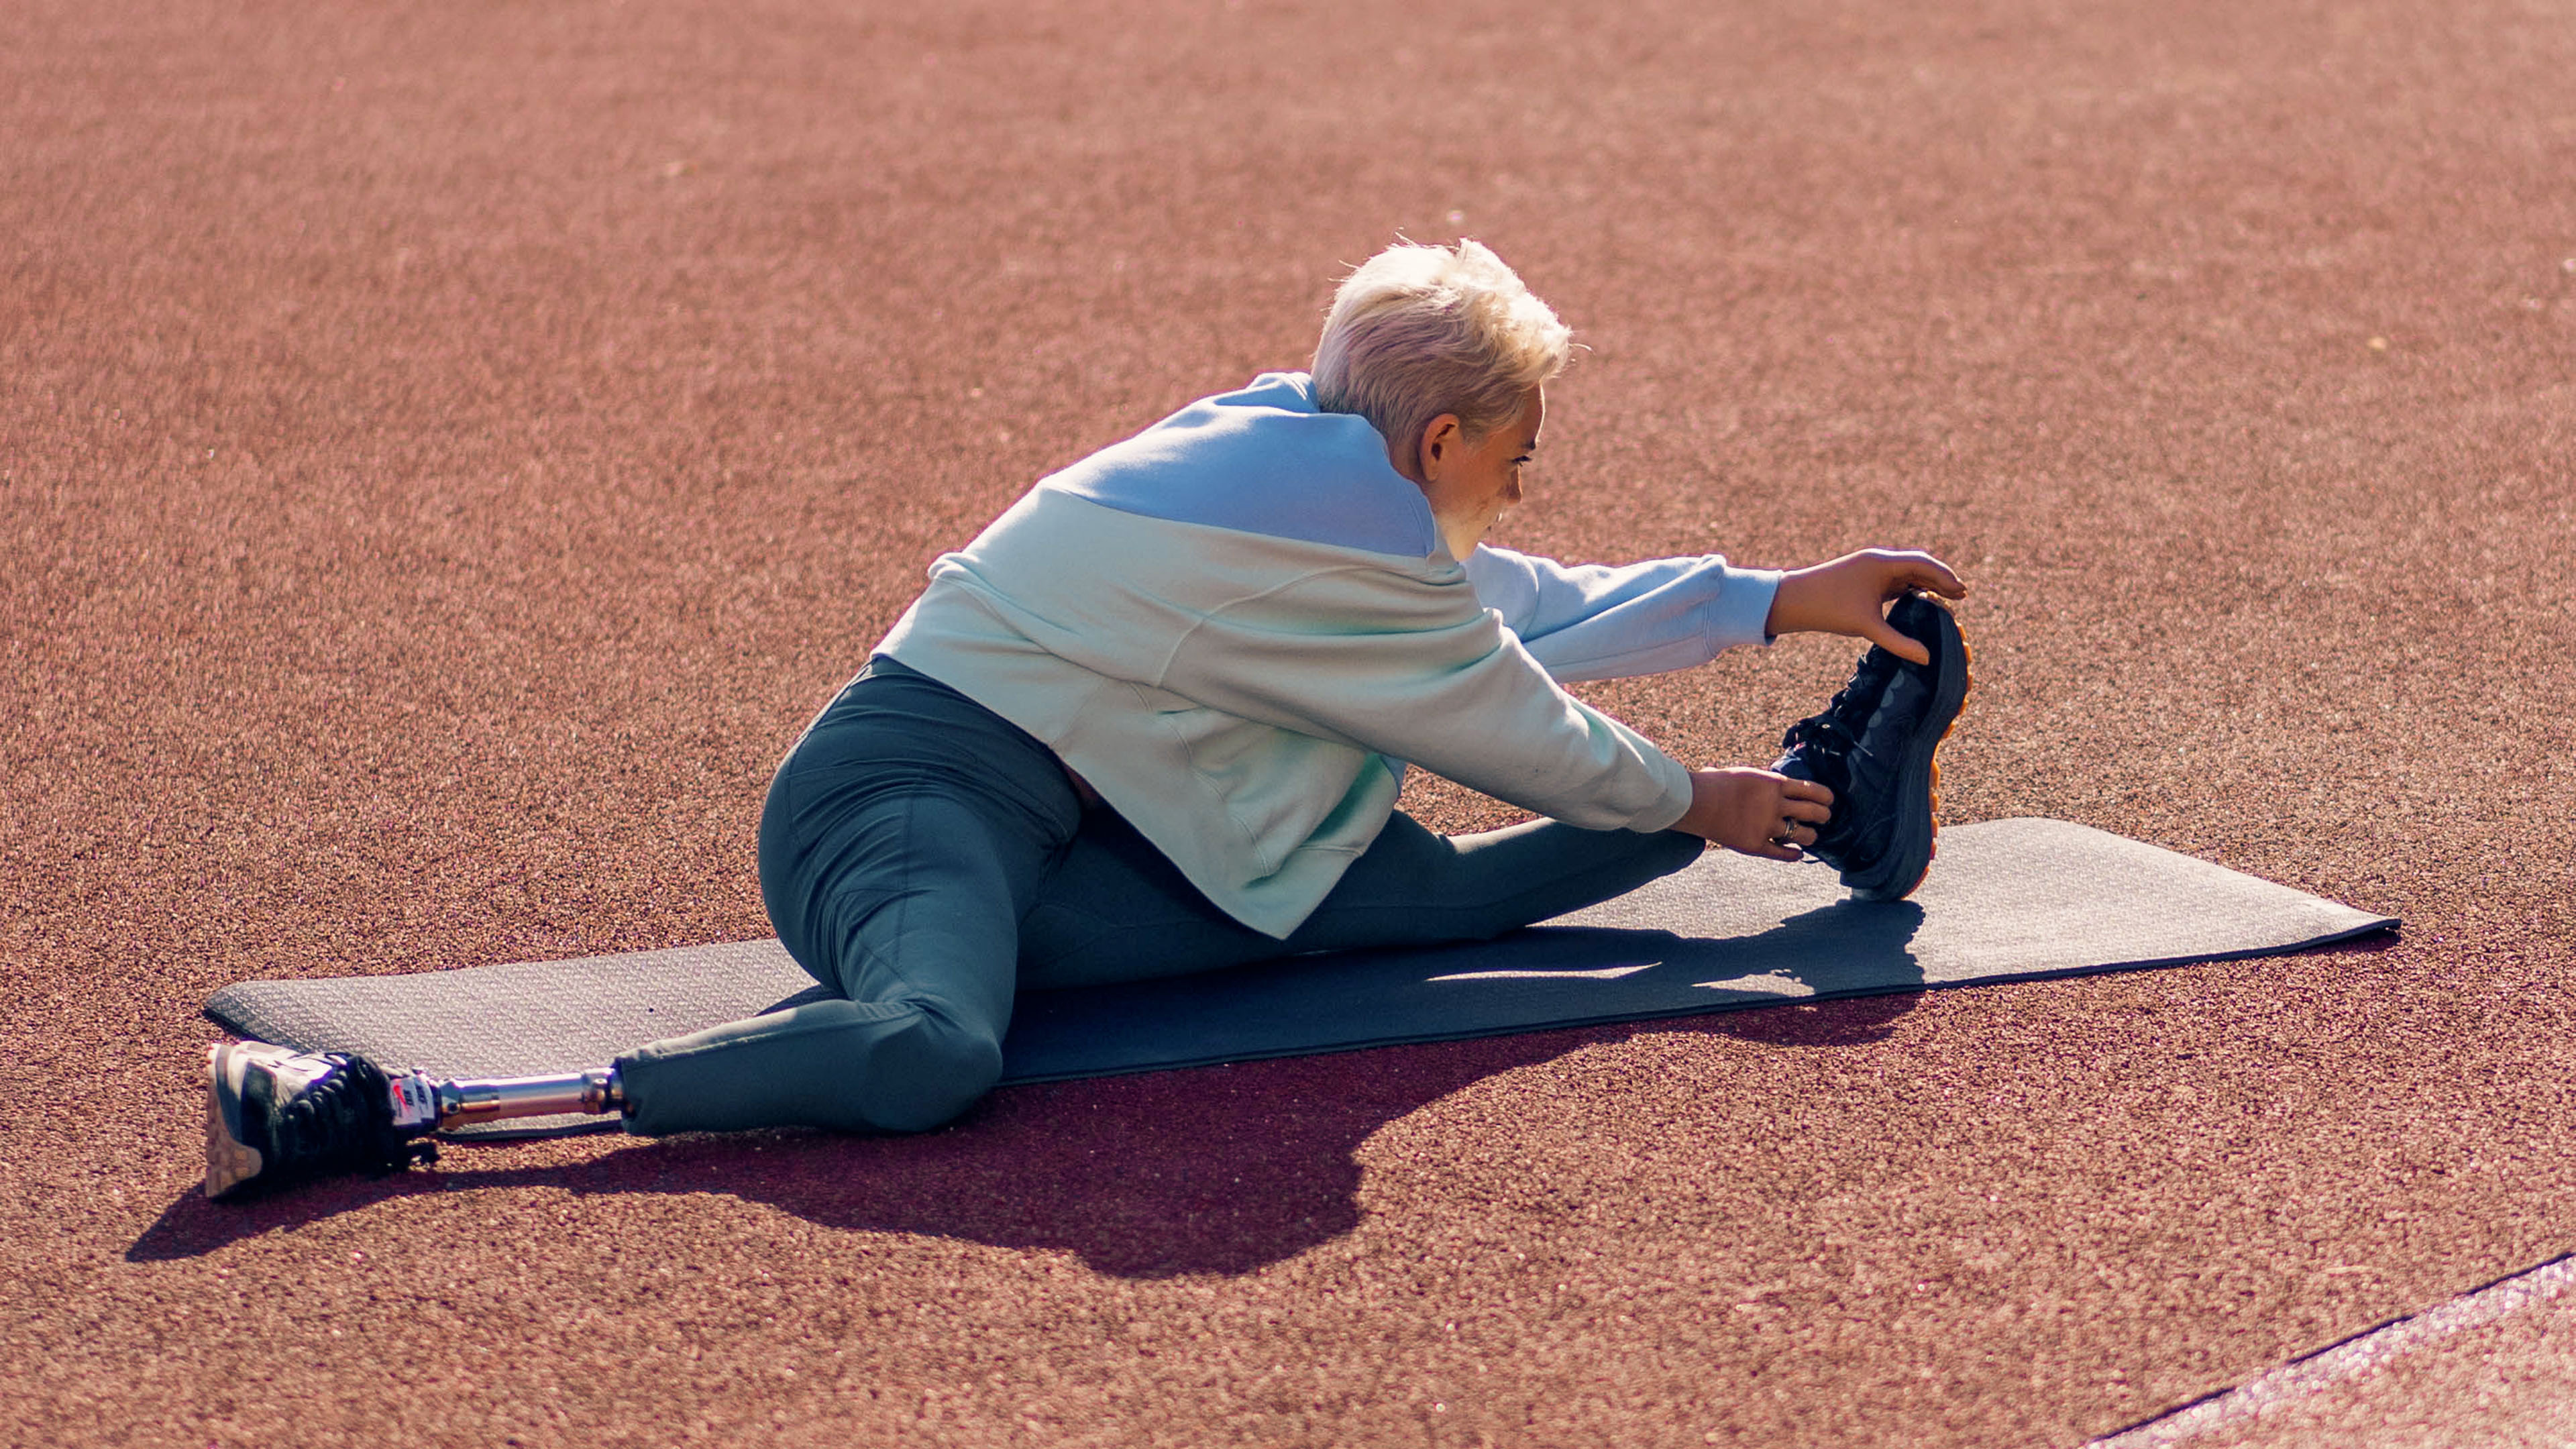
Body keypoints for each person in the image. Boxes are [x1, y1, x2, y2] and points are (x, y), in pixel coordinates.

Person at [202, 239, 1969, 1198]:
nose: (1523, 482)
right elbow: (1507, 712)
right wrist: (1687, 799)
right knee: (932, 1054)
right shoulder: (1336, 517)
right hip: (911, 799)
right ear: (1438, 443)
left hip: (1107, 812)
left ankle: (1819, 792)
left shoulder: (1308, 457)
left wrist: (1783, 605)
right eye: (1518, 453)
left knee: (1426, 900)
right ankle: (401, 1106)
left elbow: (1515, 609)